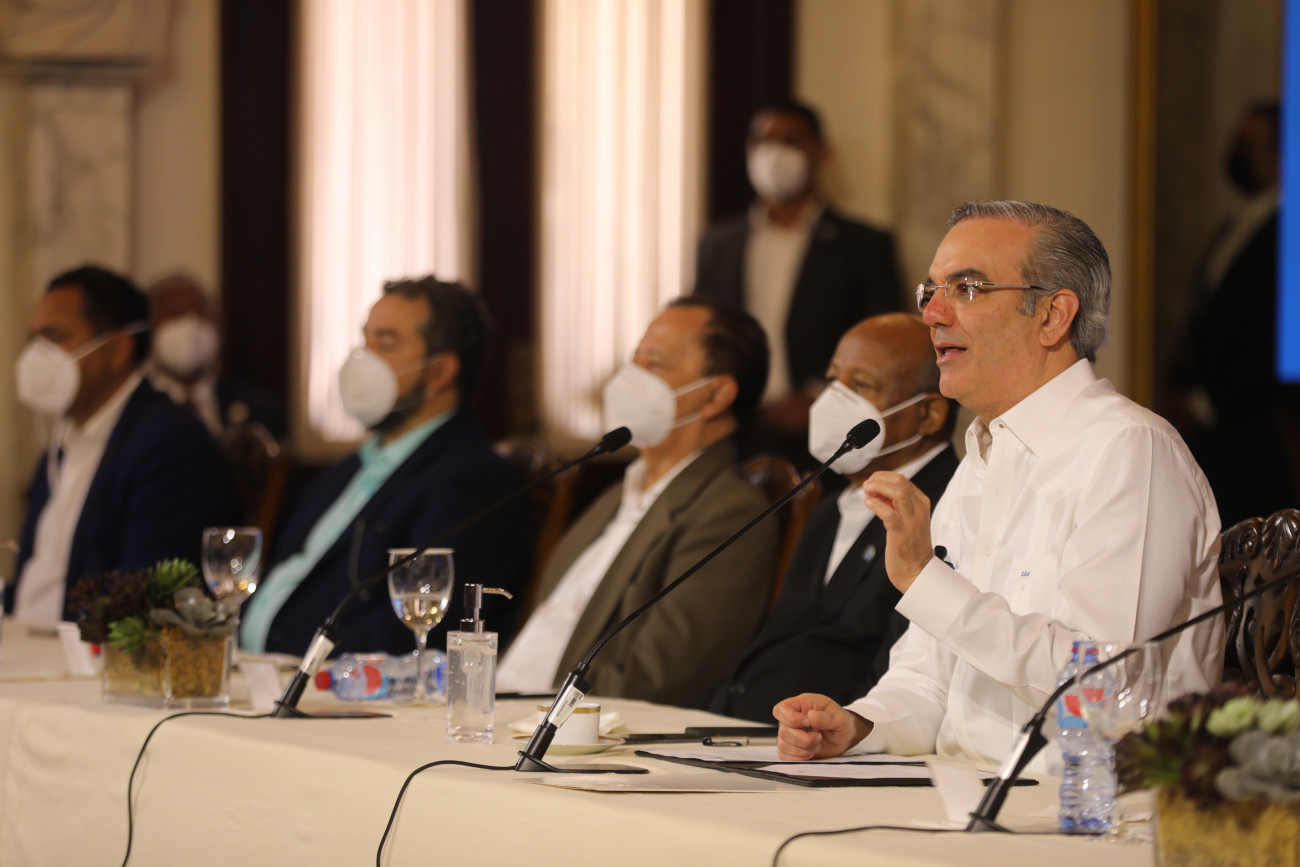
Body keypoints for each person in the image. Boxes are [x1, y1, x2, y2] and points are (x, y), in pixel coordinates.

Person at [773, 201, 1224, 769]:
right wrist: (861, 723)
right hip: (961, 792)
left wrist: (924, 579)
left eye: (966, 288)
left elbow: (1101, 687)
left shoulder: (1129, 450)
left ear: (1053, 316)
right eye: (930, 291)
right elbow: (930, 679)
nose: (932, 313)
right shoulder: (980, 461)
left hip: (1085, 804)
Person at [498, 297, 779, 708]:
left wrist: (537, 718)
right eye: (634, 361)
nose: (629, 378)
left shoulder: (729, 511)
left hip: (563, 725)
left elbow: (659, 677)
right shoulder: (616, 495)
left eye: (655, 364)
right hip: (498, 706)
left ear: (716, 394)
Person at [240, 277, 531, 656]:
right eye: (365, 340)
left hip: (322, 682)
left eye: (386, 343)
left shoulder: (473, 481)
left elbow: (413, 635)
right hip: (248, 671)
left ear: (439, 372)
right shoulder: (342, 472)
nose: (363, 357)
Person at [708, 313, 959, 722]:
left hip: (837, 741)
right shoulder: (829, 508)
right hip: (741, 727)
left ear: (928, 414)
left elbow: (901, 675)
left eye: (860, 385)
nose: (832, 401)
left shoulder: (945, 506)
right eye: (832, 381)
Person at [6, 265, 236, 622]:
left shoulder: (169, 442)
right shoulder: (60, 445)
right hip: (22, 641)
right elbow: (34, 580)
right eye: (33, 340)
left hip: (82, 650)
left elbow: (142, 601)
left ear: (117, 349)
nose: (38, 356)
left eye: (53, 337)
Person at [694, 99, 902, 467]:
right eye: (762, 141)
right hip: (732, 433)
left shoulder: (864, 246)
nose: (772, 154)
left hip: (828, 437)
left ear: (820, 152)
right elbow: (701, 334)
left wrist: (819, 395)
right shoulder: (718, 245)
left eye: (789, 141)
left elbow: (884, 342)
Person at [1162, 101, 1299, 527]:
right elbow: (1206, 312)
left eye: (1253, 145)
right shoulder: (1237, 222)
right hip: (1214, 430)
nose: (1241, 157)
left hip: (1253, 425)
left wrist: (1206, 402)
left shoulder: (1289, 227)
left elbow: (1271, 330)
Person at [147, 273, 289, 441]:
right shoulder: (134, 414)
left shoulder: (264, 414)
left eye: (200, 312)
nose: (190, 325)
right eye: (174, 313)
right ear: (150, 328)